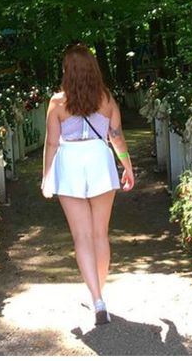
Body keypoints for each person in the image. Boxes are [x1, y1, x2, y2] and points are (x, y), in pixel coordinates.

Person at [41, 43, 135, 325]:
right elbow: (116, 137)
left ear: (66, 71)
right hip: (99, 160)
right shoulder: (106, 99)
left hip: (70, 162)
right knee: (99, 235)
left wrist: (46, 176)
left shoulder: (57, 102)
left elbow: (52, 142)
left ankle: (96, 298)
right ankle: (99, 296)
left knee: (81, 237)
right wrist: (128, 167)